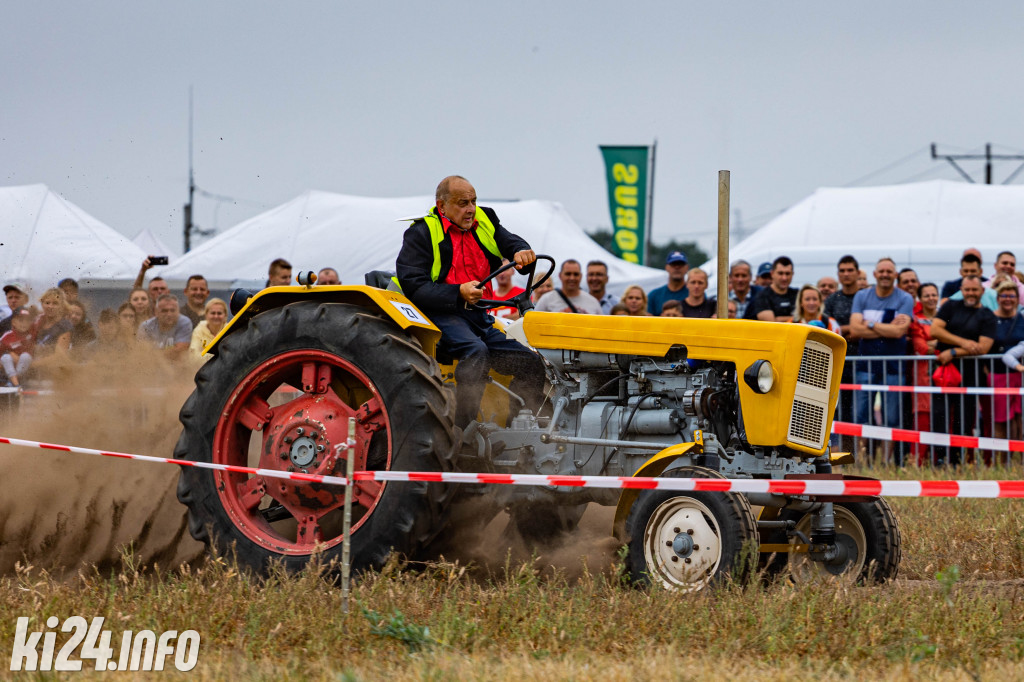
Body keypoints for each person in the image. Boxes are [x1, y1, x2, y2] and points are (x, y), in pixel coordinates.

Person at [395, 175, 545, 430]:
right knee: (476, 352)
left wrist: (522, 250)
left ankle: (515, 429)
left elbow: (509, 241)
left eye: (473, 201)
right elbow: (413, 285)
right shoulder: (420, 233)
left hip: (478, 316)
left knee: (529, 360)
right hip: (439, 315)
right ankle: (462, 429)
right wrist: (457, 292)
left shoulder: (485, 219)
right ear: (441, 206)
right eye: (463, 203)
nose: (471, 209)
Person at [850, 258, 914, 466]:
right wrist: (884, 328)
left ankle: (885, 463)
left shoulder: (905, 298)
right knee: (861, 416)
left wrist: (868, 324)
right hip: (865, 365)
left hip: (894, 366)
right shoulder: (862, 295)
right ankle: (861, 462)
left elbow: (899, 332)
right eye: (882, 271)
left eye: (890, 271)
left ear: (895, 275)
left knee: (892, 418)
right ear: (875, 274)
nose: (885, 274)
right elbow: (854, 330)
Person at [930, 276, 996, 466]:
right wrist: (964, 343)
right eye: (967, 290)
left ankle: (957, 461)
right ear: (961, 290)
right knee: (939, 416)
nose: (971, 294)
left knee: (964, 420)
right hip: (944, 373)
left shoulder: (987, 315)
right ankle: (939, 459)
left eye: (975, 290)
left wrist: (952, 351)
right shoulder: (950, 306)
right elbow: (935, 330)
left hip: (971, 375)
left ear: (982, 292)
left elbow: (983, 347)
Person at [824, 255, 862, 452]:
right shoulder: (832, 300)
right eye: (842, 270)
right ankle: (842, 454)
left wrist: (849, 331)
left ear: (857, 272)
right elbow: (830, 330)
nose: (846, 274)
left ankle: (859, 453)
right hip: (838, 364)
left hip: (862, 362)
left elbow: (859, 330)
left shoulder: (864, 296)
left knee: (859, 413)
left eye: (850, 270)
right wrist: (850, 330)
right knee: (837, 411)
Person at [987, 280, 1024, 450]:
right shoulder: (990, 319)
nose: (1008, 299)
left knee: (1020, 419)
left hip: (1020, 376)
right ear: (998, 297)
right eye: (1004, 295)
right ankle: (1001, 462)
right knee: (1000, 420)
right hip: (998, 376)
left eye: (1011, 295)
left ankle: (1019, 462)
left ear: (1017, 298)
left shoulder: (1022, 319)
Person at [908, 283, 940, 465]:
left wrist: (935, 344)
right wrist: (941, 343)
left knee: (944, 418)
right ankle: (917, 462)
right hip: (923, 375)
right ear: (920, 298)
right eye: (926, 295)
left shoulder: (945, 317)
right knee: (923, 418)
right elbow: (921, 347)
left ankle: (938, 461)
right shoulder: (916, 320)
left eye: (934, 294)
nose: (931, 298)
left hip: (944, 375)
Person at [534, 260, 603, 314]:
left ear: (581, 276)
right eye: (568, 274)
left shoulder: (593, 302)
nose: (572, 278)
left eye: (576, 274)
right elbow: (533, 326)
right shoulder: (546, 300)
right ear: (560, 276)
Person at [32, 288, 74, 373]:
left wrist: (32, 364)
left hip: (55, 374)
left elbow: (59, 356)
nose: (50, 306)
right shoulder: (38, 323)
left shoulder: (64, 325)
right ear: (42, 304)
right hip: (36, 373)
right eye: (47, 303)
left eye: (55, 303)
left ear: (61, 306)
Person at [138, 294, 193, 359]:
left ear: (178, 311)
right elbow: (142, 352)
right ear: (156, 312)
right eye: (164, 311)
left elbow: (181, 350)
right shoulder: (146, 326)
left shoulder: (184, 322)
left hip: (177, 364)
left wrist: (154, 354)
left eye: (172, 310)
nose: (169, 314)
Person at [744, 256, 797, 322]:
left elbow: (809, 317)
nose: (784, 278)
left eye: (787, 273)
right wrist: (796, 318)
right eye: (780, 273)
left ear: (792, 274)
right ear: (772, 273)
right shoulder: (762, 296)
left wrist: (779, 319)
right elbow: (772, 324)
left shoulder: (797, 294)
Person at [0, 307, 35, 388]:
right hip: (9, 367)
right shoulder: (7, 336)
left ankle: (14, 382)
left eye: (27, 320)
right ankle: (16, 384)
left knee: (25, 356)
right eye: (21, 320)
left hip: (25, 367)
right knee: (6, 357)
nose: (24, 323)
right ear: (14, 322)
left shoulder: (32, 335)